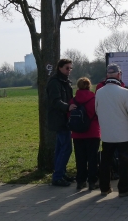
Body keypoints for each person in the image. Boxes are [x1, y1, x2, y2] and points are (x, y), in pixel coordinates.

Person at [95, 64, 128, 197]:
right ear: (119, 75)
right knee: (124, 161)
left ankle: (104, 188)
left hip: (107, 133)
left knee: (105, 161)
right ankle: (124, 189)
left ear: (107, 75)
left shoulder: (99, 92)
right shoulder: (124, 92)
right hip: (122, 133)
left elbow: (96, 110)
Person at [46, 58, 77, 187]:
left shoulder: (65, 82)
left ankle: (60, 173)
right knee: (66, 149)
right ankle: (57, 176)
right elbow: (55, 100)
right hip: (59, 119)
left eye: (70, 68)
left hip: (64, 119)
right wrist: (67, 107)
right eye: (67, 68)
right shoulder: (55, 82)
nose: (69, 70)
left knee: (60, 149)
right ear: (60, 68)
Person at [69, 77, 101, 190]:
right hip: (93, 132)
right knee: (92, 158)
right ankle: (92, 181)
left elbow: (70, 116)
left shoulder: (73, 100)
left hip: (77, 133)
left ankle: (80, 181)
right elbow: (99, 114)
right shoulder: (94, 99)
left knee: (80, 158)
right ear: (89, 85)